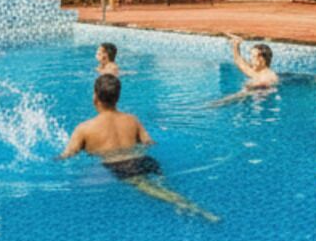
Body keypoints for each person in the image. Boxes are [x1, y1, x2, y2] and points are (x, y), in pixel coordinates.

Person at [59, 72, 215, 220]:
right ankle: (189, 204)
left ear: (95, 97)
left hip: (120, 166)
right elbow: (149, 142)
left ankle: (190, 208)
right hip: (145, 159)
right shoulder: (132, 119)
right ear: (118, 98)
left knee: (155, 191)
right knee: (164, 186)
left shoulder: (84, 128)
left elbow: (68, 155)